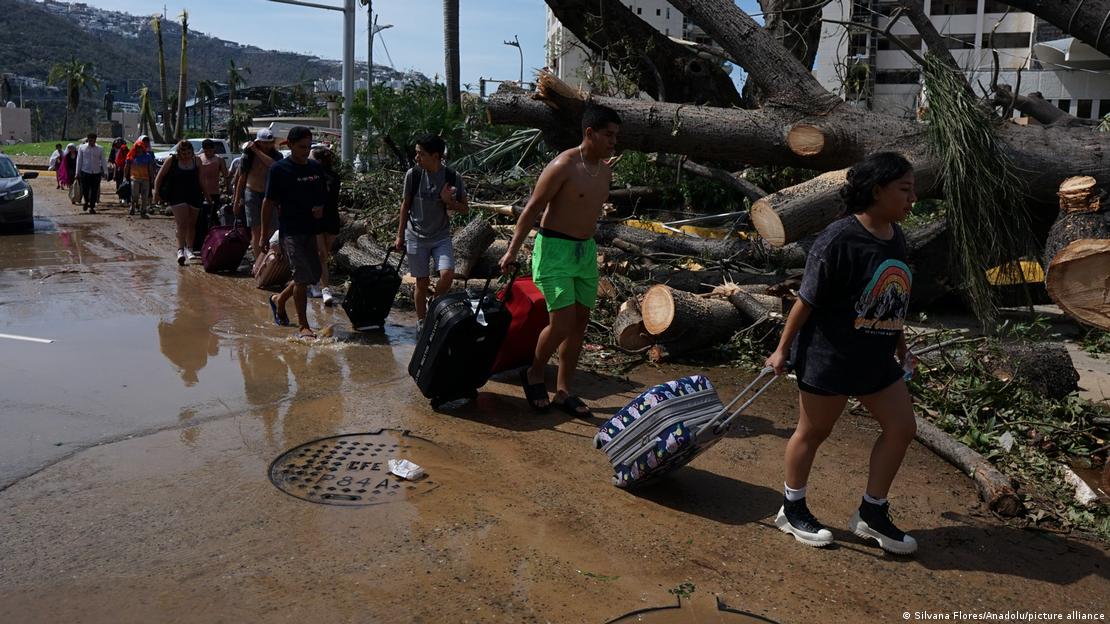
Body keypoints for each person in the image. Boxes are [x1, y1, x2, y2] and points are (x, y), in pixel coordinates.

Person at [765, 151, 919, 555]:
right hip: (829, 356)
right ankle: (791, 508)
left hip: (876, 358)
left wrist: (901, 348)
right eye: (904, 190)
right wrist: (781, 351)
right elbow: (806, 301)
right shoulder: (837, 238)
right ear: (876, 190)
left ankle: (872, 512)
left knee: (902, 428)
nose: (912, 199)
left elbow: (895, 299)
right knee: (814, 432)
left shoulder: (897, 236)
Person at [498, 103, 621, 417]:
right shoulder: (562, 166)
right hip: (554, 250)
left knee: (579, 325)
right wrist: (512, 250)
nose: (613, 141)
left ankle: (564, 390)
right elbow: (531, 210)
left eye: (615, 136)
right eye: (608, 135)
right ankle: (535, 372)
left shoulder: (605, 169)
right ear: (589, 133)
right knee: (562, 323)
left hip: (584, 252)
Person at [392, 134, 468, 326]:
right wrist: (400, 235)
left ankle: (434, 303)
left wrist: (448, 201)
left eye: (421, 154)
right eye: (417, 153)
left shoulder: (452, 177)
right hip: (415, 235)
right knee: (421, 282)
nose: (417, 158)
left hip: (441, 236)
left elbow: (465, 208)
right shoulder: (414, 174)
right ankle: (421, 322)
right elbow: (405, 205)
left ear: (436, 156)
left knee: (447, 274)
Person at [262, 126, 327, 340]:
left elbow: (322, 198)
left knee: (311, 276)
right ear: (289, 145)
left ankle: (279, 300)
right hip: (291, 230)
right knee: (300, 278)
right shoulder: (279, 169)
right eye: (301, 147)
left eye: (309, 147)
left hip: (313, 229)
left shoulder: (316, 168)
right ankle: (304, 326)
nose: (305, 151)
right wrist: (264, 234)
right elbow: (268, 202)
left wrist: (321, 209)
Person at [153, 139, 205, 265]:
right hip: (177, 195)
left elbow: (201, 180)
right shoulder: (172, 160)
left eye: (188, 152)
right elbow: (159, 177)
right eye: (183, 153)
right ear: (179, 152)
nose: (186, 155)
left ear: (192, 152)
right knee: (182, 223)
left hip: (194, 195)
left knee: (192, 224)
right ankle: (180, 250)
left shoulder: (197, 161)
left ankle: (190, 249)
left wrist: (207, 195)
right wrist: (156, 193)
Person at [234, 129, 283, 258]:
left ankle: (268, 259)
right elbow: (241, 179)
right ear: (258, 142)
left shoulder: (277, 155)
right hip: (252, 193)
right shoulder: (248, 156)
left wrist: (257, 151)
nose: (267, 146)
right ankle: (257, 261)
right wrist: (236, 201)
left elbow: (274, 166)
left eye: (270, 143)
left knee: (271, 230)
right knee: (256, 231)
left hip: (270, 196)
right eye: (264, 143)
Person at [310, 145, 341, 306]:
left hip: (327, 219)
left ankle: (316, 283)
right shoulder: (332, 176)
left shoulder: (324, 177)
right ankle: (324, 289)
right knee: (322, 254)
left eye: (311, 157)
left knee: (323, 255)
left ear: (319, 161)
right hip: (324, 220)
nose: (308, 160)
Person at [197, 138, 230, 228]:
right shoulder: (199, 158)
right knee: (201, 216)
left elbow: (226, 175)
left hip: (214, 191)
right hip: (201, 192)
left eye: (210, 149)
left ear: (213, 149)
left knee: (214, 216)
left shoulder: (219, 159)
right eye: (206, 150)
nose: (208, 152)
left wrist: (227, 189)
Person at [74, 133, 107, 213]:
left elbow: (103, 160)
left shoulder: (100, 149)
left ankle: (92, 207)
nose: (91, 141)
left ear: (95, 140)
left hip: (96, 172)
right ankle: (86, 201)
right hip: (85, 171)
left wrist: (105, 171)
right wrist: (77, 172)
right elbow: (79, 160)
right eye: (90, 139)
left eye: (93, 139)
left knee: (94, 190)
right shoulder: (82, 148)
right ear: (88, 139)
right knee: (85, 189)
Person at [125, 136, 156, 218]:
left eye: (140, 148)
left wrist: (152, 178)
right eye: (137, 148)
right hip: (135, 178)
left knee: (145, 196)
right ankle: (132, 206)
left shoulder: (148, 156)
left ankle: (143, 211)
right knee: (135, 195)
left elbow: (150, 168)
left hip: (145, 179)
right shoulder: (131, 156)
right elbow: (127, 167)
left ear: (143, 148)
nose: (139, 149)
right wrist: (125, 177)